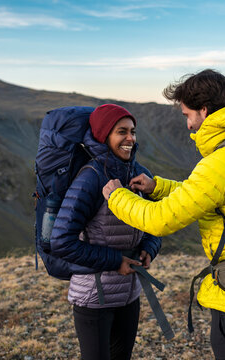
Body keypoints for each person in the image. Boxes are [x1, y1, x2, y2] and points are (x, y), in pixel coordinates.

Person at [102, 69, 225, 359]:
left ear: (204, 111)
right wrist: (157, 186)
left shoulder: (222, 162)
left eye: (187, 115)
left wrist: (116, 196)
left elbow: (159, 220)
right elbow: (205, 194)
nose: (187, 125)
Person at [50, 104, 162, 360]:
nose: (130, 138)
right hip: (93, 297)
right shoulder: (90, 178)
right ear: (103, 136)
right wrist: (115, 261)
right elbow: (61, 241)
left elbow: (156, 222)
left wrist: (149, 248)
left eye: (133, 131)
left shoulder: (140, 174)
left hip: (128, 293)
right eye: (121, 131)